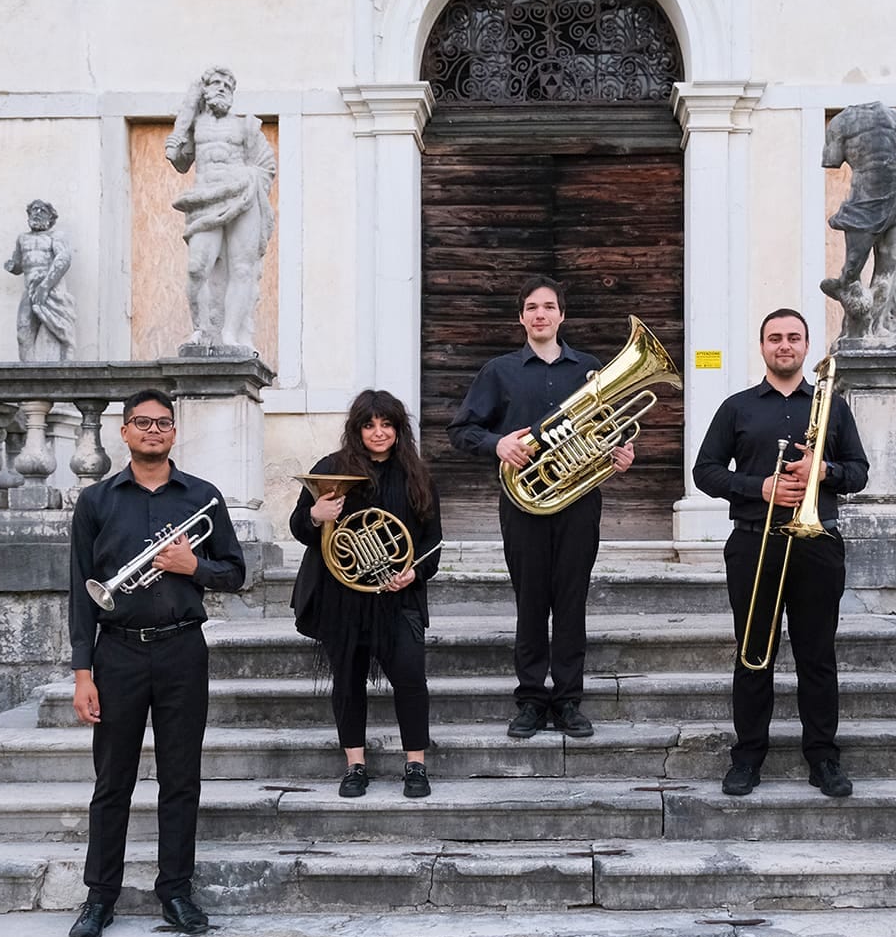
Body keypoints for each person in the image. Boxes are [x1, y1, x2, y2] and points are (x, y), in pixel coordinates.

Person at [66, 389, 246, 937]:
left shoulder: (203, 497)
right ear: (124, 432)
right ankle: (100, 896)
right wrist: (82, 672)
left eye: (162, 423)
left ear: (174, 432)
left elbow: (236, 572)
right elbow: (79, 592)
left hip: (181, 651)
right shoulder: (97, 502)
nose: (152, 431)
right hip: (116, 652)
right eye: (142, 422)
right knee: (111, 780)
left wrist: (195, 566)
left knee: (180, 778)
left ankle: (175, 890)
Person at [447, 275, 633, 740]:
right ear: (521, 317)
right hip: (523, 503)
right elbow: (461, 430)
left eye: (548, 306)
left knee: (571, 602)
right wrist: (497, 443)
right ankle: (531, 700)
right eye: (531, 307)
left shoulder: (590, 369)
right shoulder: (499, 371)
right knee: (530, 603)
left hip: (578, 503)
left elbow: (615, 427)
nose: (540, 314)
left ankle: (568, 700)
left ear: (561, 315)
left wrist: (622, 452)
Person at [692, 308, 869, 798]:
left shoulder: (832, 406)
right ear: (763, 346)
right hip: (754, 541)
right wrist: (760, 487)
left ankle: (823, 758)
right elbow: (705, 473)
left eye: (793, 338)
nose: (784, 346)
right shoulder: (737, 407)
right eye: (775, 338)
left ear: (806, 347)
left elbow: (859, 472)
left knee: (818, 656)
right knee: (753, 654)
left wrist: (824, 469)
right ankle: (748, 757)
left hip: (819, 543)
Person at [289, 389, 443, 799]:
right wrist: (314, 514)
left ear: (398, 429)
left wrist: (413, 573)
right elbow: (299, 528)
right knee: (348, 682)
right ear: (357, 429)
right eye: (370, 425)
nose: (379, 432)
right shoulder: (331, 468)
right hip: (343, 598)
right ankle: (355, 766)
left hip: (397, 596)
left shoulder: (416, 475)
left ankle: (416, 765)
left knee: (410, 678)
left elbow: (432, 542)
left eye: (387, 424)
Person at [165, 65, 277, 353]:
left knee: (242, 267)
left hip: (242, 198)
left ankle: (230, 333)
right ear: (204, 90)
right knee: (197, 267)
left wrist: (249, 180)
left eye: (228, 85)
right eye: (216, 83)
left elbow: (267, 166)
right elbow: (181, 163)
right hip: (205, 198)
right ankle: (202, 330)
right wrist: (175, 146)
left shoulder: (246, 126)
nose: (222, 89)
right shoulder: (194, 126)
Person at [819, 101, 896, 346]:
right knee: (889, 263)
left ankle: (861, 329)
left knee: (852, 270)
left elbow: (832, 159)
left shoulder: (839, 122)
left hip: (865, 198)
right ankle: (877, 326)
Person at [3, 198, 76, 361]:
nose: (37, 213)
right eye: (34, 210)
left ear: (50, 217)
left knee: (58, 330)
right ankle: (27, 373)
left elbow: (64, 260)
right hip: (29, 290)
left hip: (51, 290)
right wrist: (13, 266)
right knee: (23, 332)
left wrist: (45, 286)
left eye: (42, 211)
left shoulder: (55, 236)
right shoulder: (22, 238)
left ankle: (66, 366)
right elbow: (20, 264)